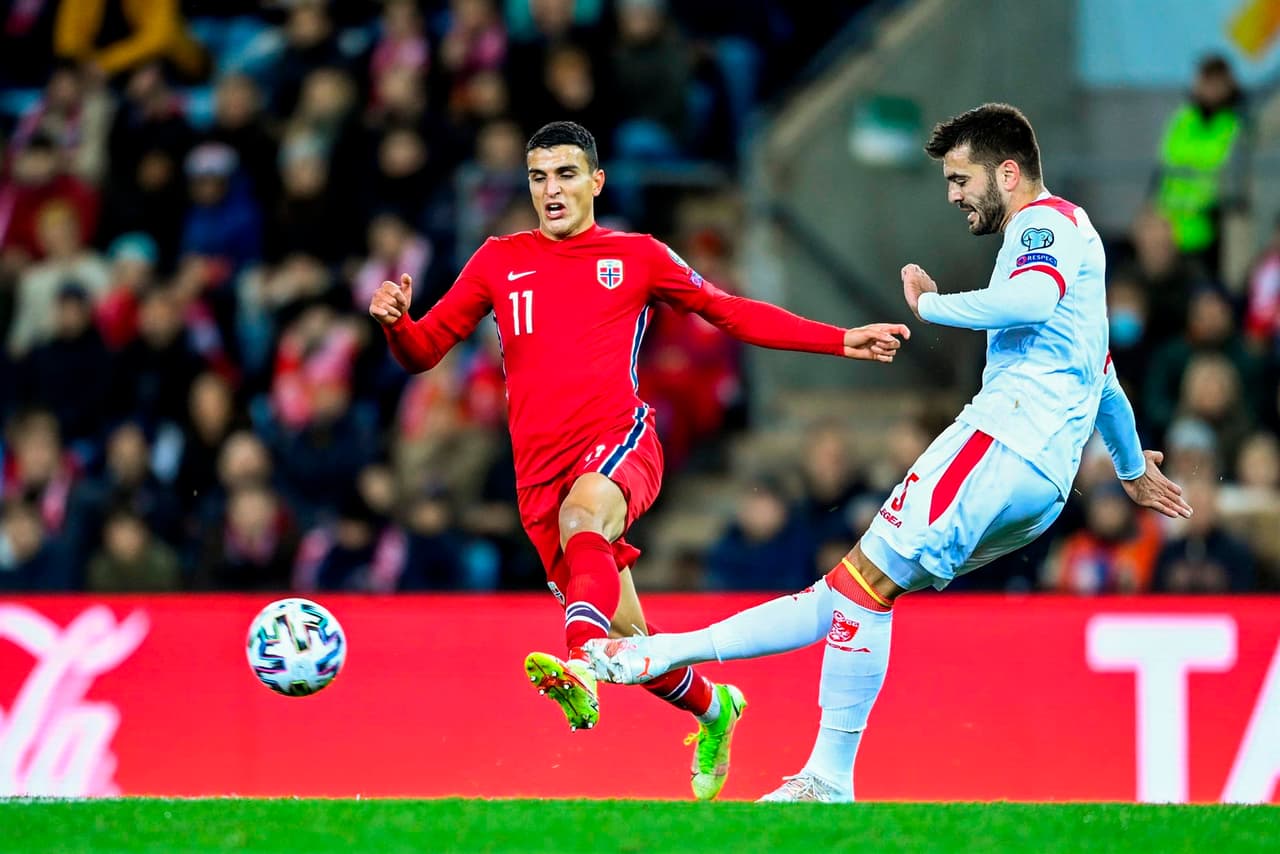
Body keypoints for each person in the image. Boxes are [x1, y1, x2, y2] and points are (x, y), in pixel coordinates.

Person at [583, 104, 1194, 802]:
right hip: (1040, 481)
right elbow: (1105, 374)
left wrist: (931, 306)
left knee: (858, 594)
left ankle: (817, 769)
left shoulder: (1043, 223)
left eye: (961, 178)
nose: (953, 194)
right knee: (852, 594)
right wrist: (1130, 467)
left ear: (1009, 171)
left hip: (1003, 441)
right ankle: (670, 659)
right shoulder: (1076, 238)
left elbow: (1028, 300)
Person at [369, 120, 908, 800]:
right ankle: (716, 710)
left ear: (596, 182)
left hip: (618, 440)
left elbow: (729, 311)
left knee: (584, 519)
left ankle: (578, 668)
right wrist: (396, 325)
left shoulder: (638, 256)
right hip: (536, 474)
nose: (551, 190)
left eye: (565, 175)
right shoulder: (497, 261)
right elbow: (425, 351)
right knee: (634, 636)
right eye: (538, 178)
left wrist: (838, 340)